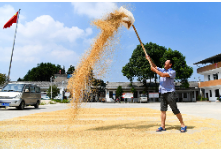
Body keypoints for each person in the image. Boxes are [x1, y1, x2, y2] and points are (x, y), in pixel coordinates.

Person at [145, 55, 187, 133]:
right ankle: (163, 126)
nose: (164, 63)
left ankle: (183, 125)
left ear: (170, 64)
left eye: (166, 62)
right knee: (163, 110)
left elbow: (162, 75)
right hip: (162, 93)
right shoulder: (163, 70)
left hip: (170, 93)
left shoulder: (172, 72)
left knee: (175, 109)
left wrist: (154, 70)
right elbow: (155, 66)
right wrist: (149, 59)